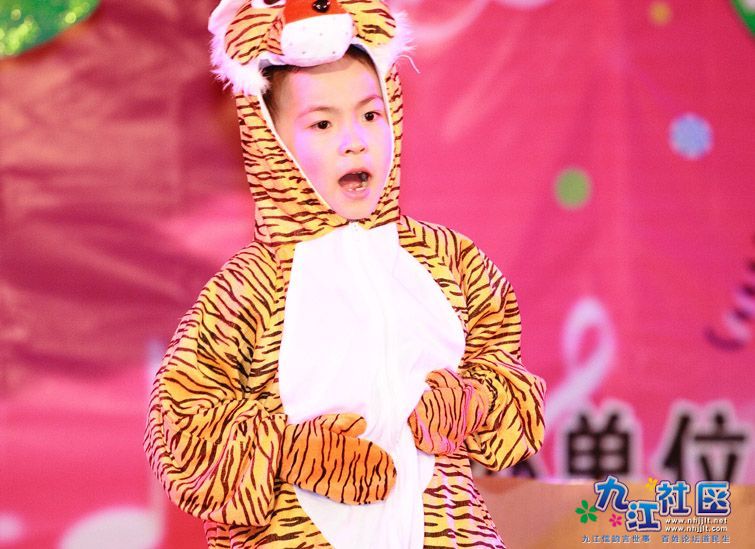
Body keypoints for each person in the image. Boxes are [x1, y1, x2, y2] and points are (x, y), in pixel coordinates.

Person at [144, 1, 546, 547]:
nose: (354, 140)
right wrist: (297, 454)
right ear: (271, 141)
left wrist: (468, 404)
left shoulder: (450, 261)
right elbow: (180, 432)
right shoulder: (247, 290)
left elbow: (515, 401)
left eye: (369, 115)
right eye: (322, 124)